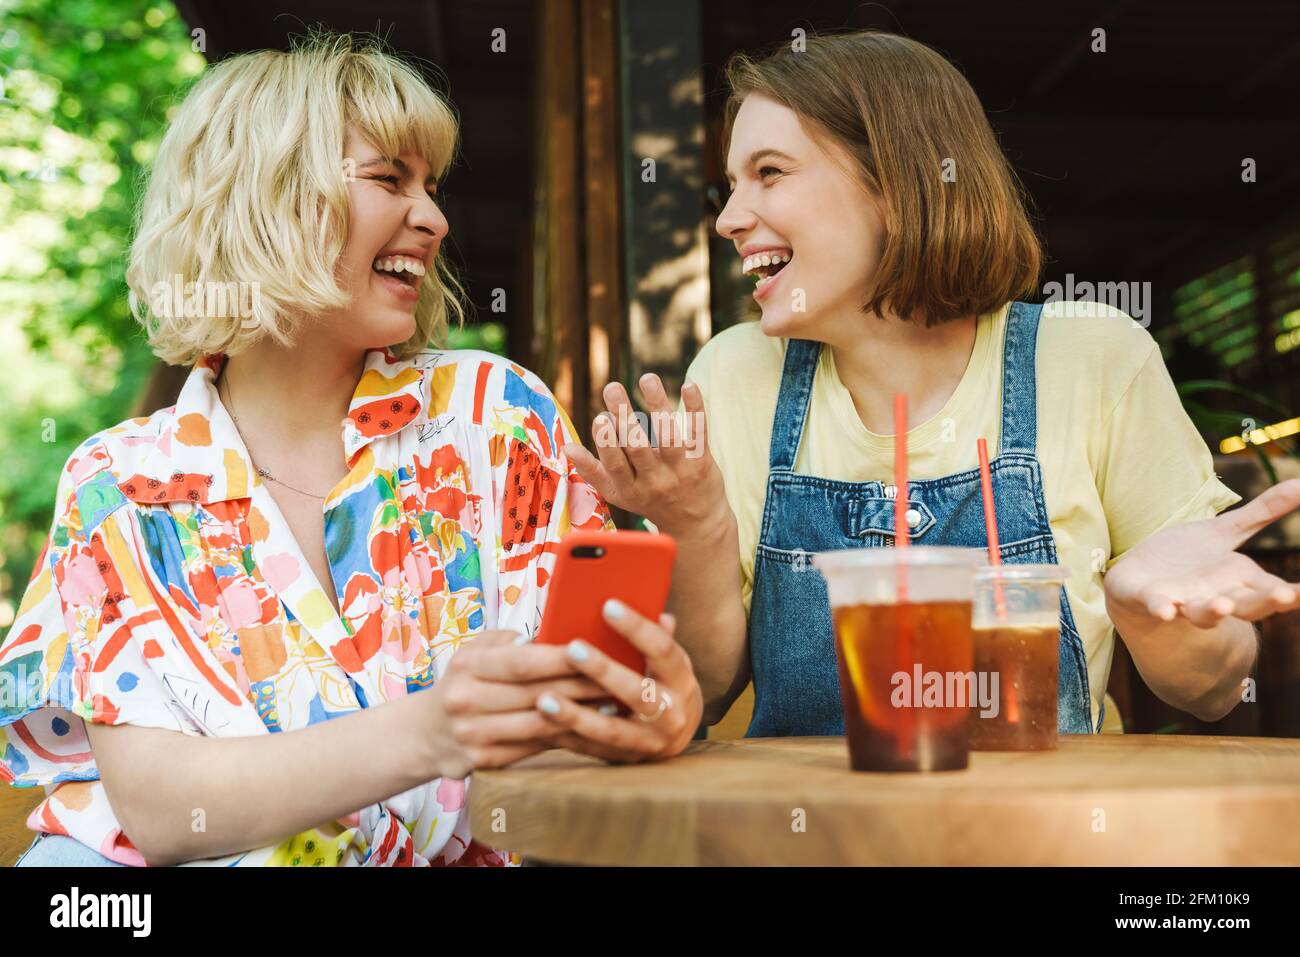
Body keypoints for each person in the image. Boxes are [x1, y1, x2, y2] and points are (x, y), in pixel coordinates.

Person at [0, 32, 702, 867]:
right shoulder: (118, 483)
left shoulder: (495, 415)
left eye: (432, 187)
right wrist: (432, 728)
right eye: (388, 179)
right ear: (263, 200)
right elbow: (161, 808)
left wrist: (646, 712)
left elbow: (576, 709)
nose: (435, 218)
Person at [566, 30, 1298, 741]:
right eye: (731, 184)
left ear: (896, 182)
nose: (728, 218)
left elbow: (1213, 688)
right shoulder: (733, 375)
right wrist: (699, 528)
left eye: (770, 172)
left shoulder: (1091, 356)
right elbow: (704, 686)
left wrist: (1149, 617)